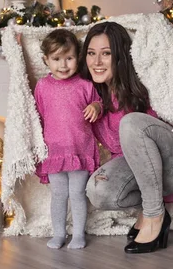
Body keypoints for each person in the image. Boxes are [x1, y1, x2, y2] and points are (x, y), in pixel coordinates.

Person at [78, 21, 173, 254]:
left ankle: (154, 215)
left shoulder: (144, 82)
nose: (96, 62)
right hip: (142, 171)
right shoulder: (94, 95)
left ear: (120, 56)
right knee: (97, 191)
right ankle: (151, 208)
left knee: (131, 122)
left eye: (106, 54)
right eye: (91, 53)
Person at [34, 29, 102, 250]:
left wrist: (95, 107)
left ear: (78, 58)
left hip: (80, 150)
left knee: (77, 193)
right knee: (59, 194)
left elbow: (100, 103)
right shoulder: (42, 86)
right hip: (54, 151)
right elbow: (39, 116)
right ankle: (59, 233)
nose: (63, 65)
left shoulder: (85, 85)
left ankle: (79, 234)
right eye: (56, 59)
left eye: (69, 58)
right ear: (46, 60)